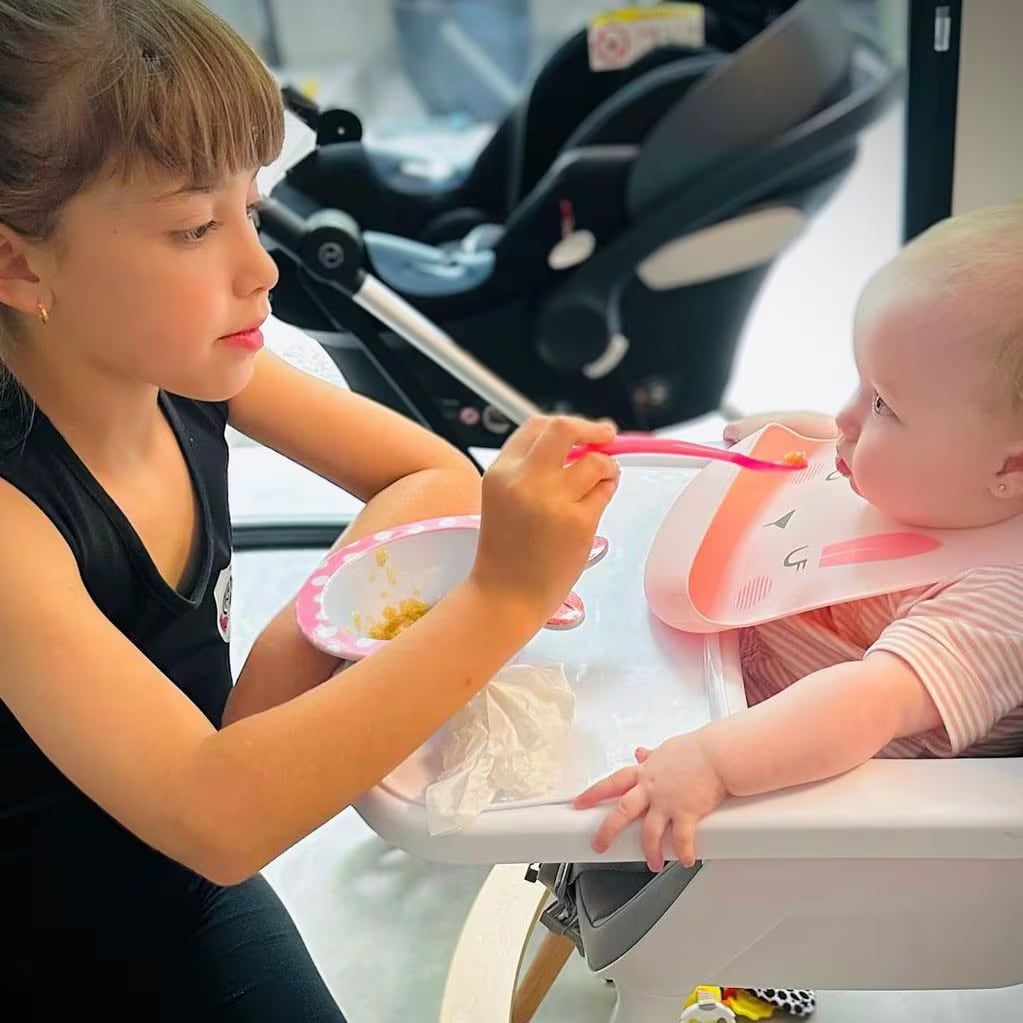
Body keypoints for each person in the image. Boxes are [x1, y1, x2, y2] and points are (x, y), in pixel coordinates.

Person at [0, 1, 620, 1016]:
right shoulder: (12, 523)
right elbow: (222, 816)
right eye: (196, 226)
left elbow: (431, 480)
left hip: (177, 898)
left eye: (251, 206)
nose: (260, 268)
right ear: (21, 264)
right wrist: (501, 594)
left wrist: (293, 647)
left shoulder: (192, 372)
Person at [577, 204, 1023, 872]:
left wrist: (713, 762)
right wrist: (811, 441)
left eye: (882, 405)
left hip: (798, 801)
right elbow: (852, 450)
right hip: (715, 670)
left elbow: (866, 704)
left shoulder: (996, 602)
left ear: (1009, 468)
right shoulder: (942, 485)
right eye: (859, 383)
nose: (846, 416)